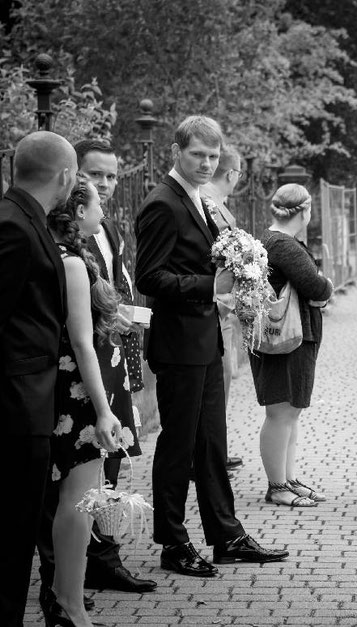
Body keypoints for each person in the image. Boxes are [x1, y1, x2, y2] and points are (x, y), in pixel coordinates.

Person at [135, 115, 287, 577]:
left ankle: (226, 535)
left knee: (211, 446)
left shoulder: (198, 200)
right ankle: (173, 543)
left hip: (205, 343)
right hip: (179, 345)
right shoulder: (163, 203)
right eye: (198, 154)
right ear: (176, 152)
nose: (206, 163)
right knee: (178, 447)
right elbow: (149, 277)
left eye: (213, 156)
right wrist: (211, 286)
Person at [35, 138, 158, 599]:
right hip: (82, 377)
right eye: (96, 177)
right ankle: (63, 581)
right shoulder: (66, 255)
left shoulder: (109, 233)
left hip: (110, 363)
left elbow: (113, 289)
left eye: (111, 175)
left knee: (106, 473)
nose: (106, 188)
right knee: (73, 487)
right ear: (74, 182)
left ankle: (99, 561)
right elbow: (78, 333)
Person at [42, 180, 141, 627]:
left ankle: (64, 600)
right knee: (78, 502)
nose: (105, 209)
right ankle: (70, 606)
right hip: (79, 391)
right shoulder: (71, 263)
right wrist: (104, 410)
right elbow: (81, 342)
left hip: (58, 385)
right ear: (78, 211)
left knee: (69, 499)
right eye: (98, 203)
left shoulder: (45, 252)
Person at [0, 131, 75, 627]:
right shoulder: (13, 226)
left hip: (30, 395)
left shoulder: (27, 217)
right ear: (66, 177)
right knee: (12, 530)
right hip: (15, 400)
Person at [249, 183, 334, 507]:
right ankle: (277, 485)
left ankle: (288, 478)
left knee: (290, 412)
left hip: (290, 339)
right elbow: (316, 286)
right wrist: (325, 284)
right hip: (287, 341)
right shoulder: (282, 244)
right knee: (281, 412)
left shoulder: (271, 240)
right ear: (305, 211)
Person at [201, 144, 244, 472]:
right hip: (216, 307)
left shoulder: (213, 202)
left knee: (225, 378)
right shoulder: (210, 204)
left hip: (222, 308)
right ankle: (209, 451)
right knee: (219, 381)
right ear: (232, 174)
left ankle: (215, 447)